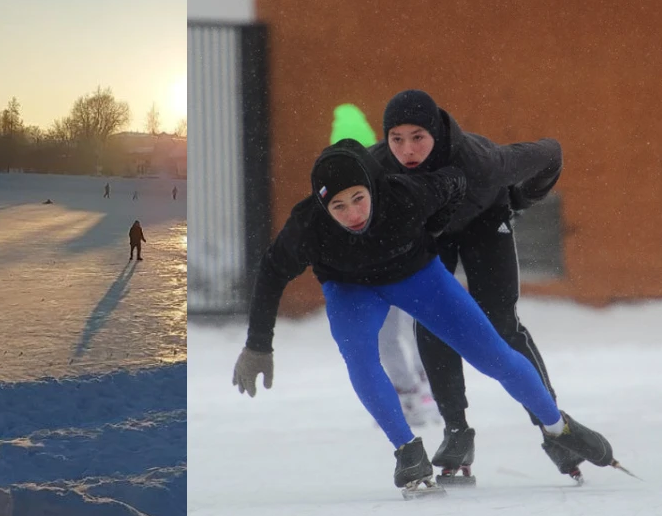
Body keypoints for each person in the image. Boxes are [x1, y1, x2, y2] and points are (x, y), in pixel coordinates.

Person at [231, 139, 619, 494]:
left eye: (358, 198)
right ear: (323, 207)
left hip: (416, 277)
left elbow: (455, 181)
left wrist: (433, 227)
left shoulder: (406, 195)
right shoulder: (307, 227)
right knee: (361, 358)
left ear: (373, 188)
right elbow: (270, 274)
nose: (351, 213)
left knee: (493, 354)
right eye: (338, 206)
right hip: (351, 291)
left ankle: (557, 427)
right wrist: (258, 345)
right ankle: (408, 451)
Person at [370, 89, 575, 482]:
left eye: (418, 137)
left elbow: (551, 153)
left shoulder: (482, 162)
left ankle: (553, 427)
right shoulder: (379, 165)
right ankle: (457, 431)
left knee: (500, 323)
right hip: (432, 232)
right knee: (432, 320)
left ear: (434, 133)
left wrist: (520, 199)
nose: (407, 149)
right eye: (396, 139)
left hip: (484, 220)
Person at [330, 101, 440, 428]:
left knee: (409, 329)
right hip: (377, 276)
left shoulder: (391, 183)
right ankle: (415, 393)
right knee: (398, 333)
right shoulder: (340, 192)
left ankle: (422, 391)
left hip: (399, 271)